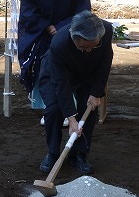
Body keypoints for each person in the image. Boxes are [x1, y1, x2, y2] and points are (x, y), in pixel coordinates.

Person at [17, 0, 91, 123]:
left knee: (67, 70)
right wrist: (47, 27)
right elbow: (27, 11)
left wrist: (61, 28)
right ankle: (48, 109)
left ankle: (69, 111)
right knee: (43, 69)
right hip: (41, 35)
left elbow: (83, 12)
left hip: (68, 35)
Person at [37, 10, 113, 175]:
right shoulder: (59, 43)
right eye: (84, 47)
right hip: (57, 74)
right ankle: (53, 153)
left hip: (88, 72)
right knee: (54, 109)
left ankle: (79, 154)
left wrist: (96, 92)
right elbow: (61, 84)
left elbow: (106, 61)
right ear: (74, 39)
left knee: (89, 107)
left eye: (94, 46)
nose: (89, 51)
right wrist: (71, 119)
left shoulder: (106, 31)